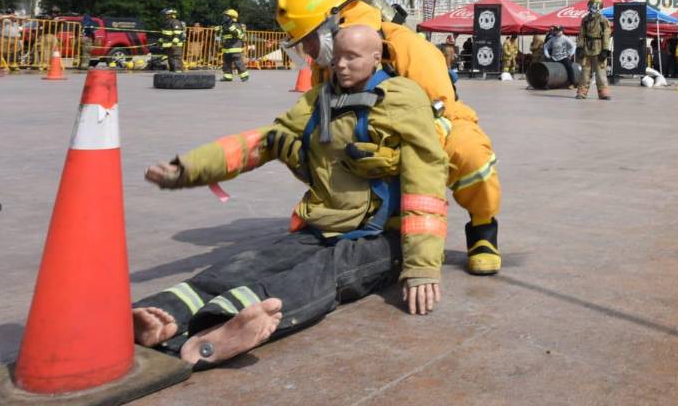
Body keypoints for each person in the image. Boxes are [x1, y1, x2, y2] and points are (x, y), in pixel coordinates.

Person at [136, 25, 448, 367]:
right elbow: (265, 141)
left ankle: (223, 326)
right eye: (337, 57)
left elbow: (426, 182)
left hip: (382, 237)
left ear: (376, 58)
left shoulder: (402, 99)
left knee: (320, 274)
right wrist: (189, 168)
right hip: (321, 225)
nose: (341, 65)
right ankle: (163, 311)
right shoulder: (319, 100)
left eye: (352, 57)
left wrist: (422, 268)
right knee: (253, 262)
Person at [276, 0, 502, 276]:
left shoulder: (406, 46)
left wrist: (399, 154)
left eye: (309, 39)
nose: (307, 49)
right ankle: (379, 216)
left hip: (429, 127)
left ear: (334, 22)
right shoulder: (326, 67)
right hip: (369, 140)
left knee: (469, 151)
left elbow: (441, 112)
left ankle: (483, 230)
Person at [577, 0, 612, 100]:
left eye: (596, 4)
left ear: (600, 6)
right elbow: (581, 34)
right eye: (592, 4)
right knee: (585, 72)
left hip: (599, 47)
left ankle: (603, 93)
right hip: (587, 48)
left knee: (600, 72)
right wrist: (580, 47)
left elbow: (606, 34)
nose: (594, 6)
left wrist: (605, 49)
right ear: (588, 5)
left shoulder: (603, 19)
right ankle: (582, 92)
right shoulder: (585, 20)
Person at [218, 9, 249, 82]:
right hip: (226, 48)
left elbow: (242, 36)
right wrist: (218, 31)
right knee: (226, 63)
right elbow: (223, 36)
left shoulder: (237, 25)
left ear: (232, 17)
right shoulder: (224, 26)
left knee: (238, 63)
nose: (224, 18)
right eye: (224, 16)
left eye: (226, 16)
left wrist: (234, 31)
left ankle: (244, 76)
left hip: (235, 48)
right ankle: (227, 77)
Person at [161, 8, 187, 72]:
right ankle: (172, 72)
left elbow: (177, 34)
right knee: (170, 58)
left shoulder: (175, 22)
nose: (164, 17)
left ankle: (178, 72)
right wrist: (160, 41)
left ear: (171, 15)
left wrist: (174, 44)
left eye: (166, 15)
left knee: (176, 57)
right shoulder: (166, 23)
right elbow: (165, 34)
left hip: (175, 45)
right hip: (169, 44)